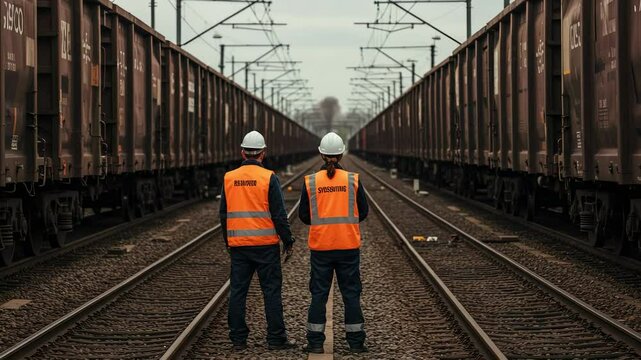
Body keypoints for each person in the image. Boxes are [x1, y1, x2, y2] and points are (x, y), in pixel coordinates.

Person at [219, 130, 296, 351]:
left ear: (242, 153)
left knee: (238, 292)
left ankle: (238, 340)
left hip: (239, 247)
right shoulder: (269, 177)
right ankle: (276, 339)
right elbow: (279, 214)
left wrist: (228, 242)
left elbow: (223, 215)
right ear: (263, 153)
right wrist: (288, 240)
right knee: (271, 291)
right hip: (265, 247)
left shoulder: (229, 178)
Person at [299, 132, 369, 354]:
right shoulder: (352, 180)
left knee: (319, 294)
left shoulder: (311, 182)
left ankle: (315, 342)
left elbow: (303, 216)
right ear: (341, 154)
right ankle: (356, 343)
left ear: (321, 154)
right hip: (348, 247)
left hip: (321, 248)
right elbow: (363, 212)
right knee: (351, 294)